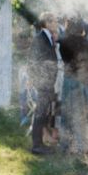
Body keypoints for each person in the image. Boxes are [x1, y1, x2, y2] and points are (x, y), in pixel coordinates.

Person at [60, 17, 88, 153]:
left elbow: (65, 62)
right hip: (84, 81)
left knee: (69, 114)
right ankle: (87, 145)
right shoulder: (86, 42)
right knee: (87, 114)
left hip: (69, 81)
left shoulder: (63, 43)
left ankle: (67, 144)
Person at [27, 12, 59, 154]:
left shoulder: (48, 37)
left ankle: (40, 143)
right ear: (47, 23)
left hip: (47, 82)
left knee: (44, 113)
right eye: (54, 21)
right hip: (43, 82)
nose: (56, 24)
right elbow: (33, 61)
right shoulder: (40, 38)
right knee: (40, 113)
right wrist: (35, 79)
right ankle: (36, 145)